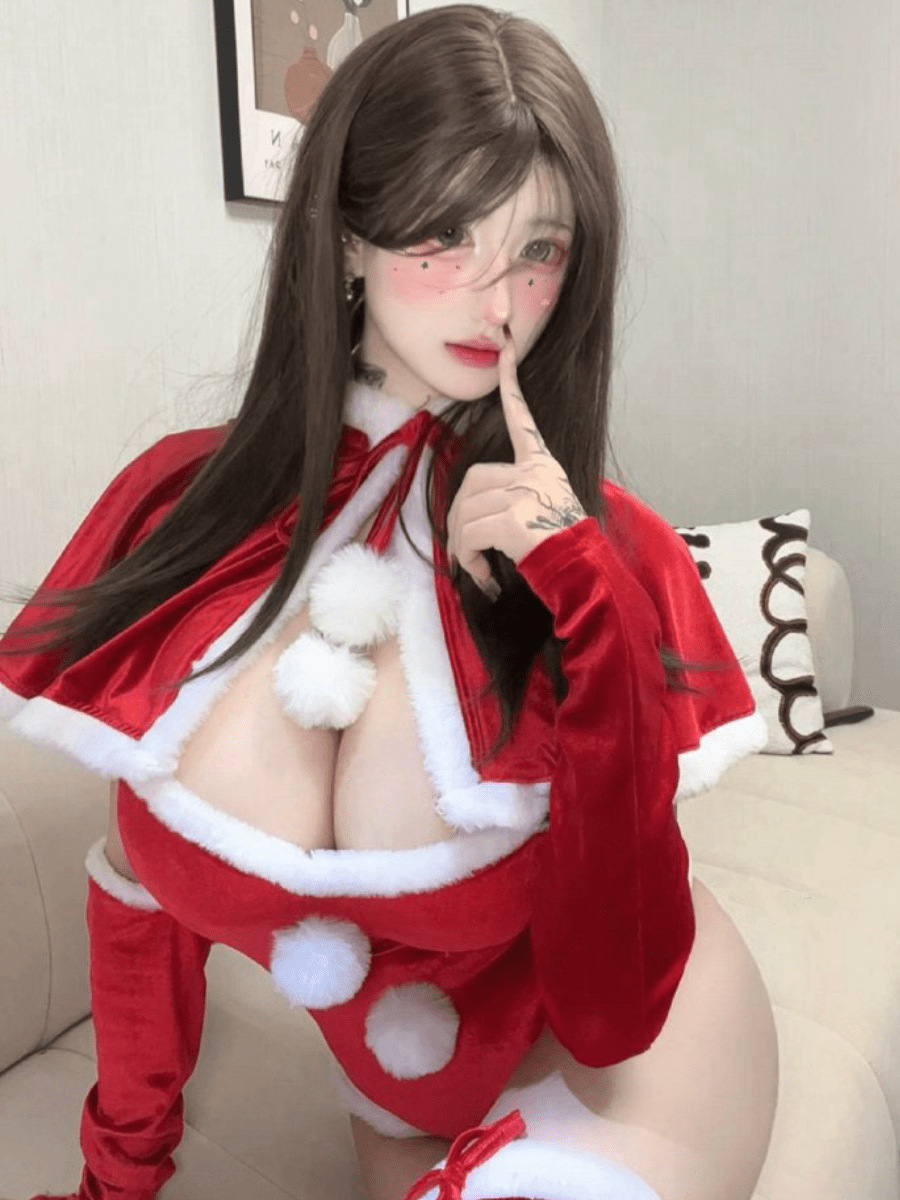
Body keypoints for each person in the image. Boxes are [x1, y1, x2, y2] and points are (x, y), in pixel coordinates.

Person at [0, 6, 779, 1199]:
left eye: (539, 248)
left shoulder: (604, 553)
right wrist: (118, 1178)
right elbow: (138, 894)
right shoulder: (181, 512)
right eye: (445, 235)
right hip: (403, 1105)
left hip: (635, 1069)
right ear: (348, 239)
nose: (497, 301)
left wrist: (581, 590)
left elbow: (618, 998)